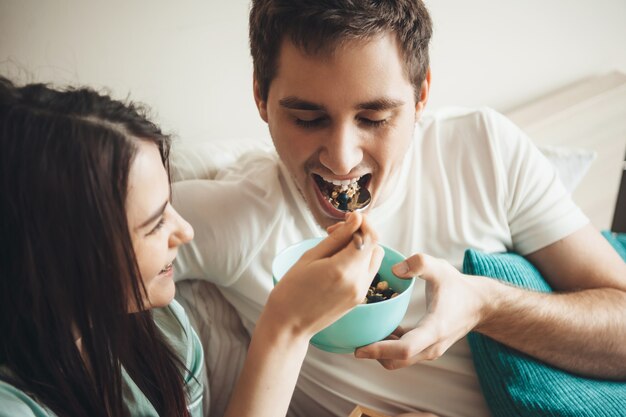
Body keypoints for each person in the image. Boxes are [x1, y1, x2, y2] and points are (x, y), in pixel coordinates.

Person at [172, 0, 626, 416]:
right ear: (260, 97)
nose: (343, 158)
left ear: (422, 94)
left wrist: (488, 305)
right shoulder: (233, 219)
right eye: (308, 119)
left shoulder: (484, 149)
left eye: (374, 118)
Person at [0, 76, 385, 417]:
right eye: (155, 224)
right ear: (59, 255)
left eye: (171, 205)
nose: (184, 230)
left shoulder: (166, 334)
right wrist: (285, 327)